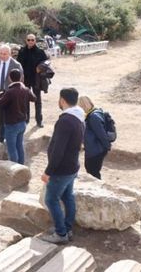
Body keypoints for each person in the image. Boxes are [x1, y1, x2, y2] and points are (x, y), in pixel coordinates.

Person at [40, 88, 85, 244]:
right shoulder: (79, 116)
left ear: (62, 100)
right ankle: (67, 228)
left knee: (51, 199)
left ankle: (61, 233)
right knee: (67, 197)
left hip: (62, 169)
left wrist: (48, 171)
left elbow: (58, 150)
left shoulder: (65, 121)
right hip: (72, 166)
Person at [0, 69, 35, 164]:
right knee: (19, 145)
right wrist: (27, 89)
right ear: (20, 77)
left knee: (12, 149)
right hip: (22, 123)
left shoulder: (10, 92)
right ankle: (21, 165)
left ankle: (14, 168)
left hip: (12, 124)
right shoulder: (25, 89)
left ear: (10, 78)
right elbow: (34, 98)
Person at [17, 33, 49, 127]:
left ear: (35, 41)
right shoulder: (22, 51)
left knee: (37, 100)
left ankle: (39, 120)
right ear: (26, 41)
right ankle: (26, 119)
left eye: (32, 40)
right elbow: (18, 64)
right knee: (25, 99)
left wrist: (41, 67)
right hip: (25, 79)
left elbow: (47, 62)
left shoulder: (40, 52)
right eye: (28, 40)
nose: (30, 42)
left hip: (36, 79)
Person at [0, 44, 23, 142]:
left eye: (5, 54)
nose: (2, 56)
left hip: (11, 94)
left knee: (9, 117)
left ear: (10, 54)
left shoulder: (16, 65)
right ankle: (0, 138)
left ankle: (9, 137)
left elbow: (21, 80)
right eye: (1, 54)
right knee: (0, 117)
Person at [78, 96, 111, 179]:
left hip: (96, 150)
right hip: (94, 149)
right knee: (91, 170)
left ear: (82, 106)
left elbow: (101, 134)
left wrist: (107, 146)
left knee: (93, 172)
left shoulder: (93, 117)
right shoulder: (93, 113)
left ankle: (99, 190)